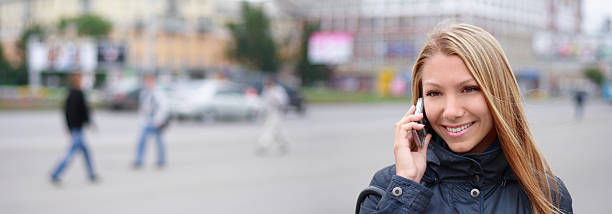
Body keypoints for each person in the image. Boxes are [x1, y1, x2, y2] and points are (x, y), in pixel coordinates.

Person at [357, 23, 572, 214]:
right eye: (434, 93)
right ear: (419, 104)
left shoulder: (547, 197)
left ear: (500, 93)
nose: (451, 111)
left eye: (469, 89)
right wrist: (405, 188)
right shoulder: (387, 189)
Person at [51, 72, 98, 183]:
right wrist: (88, 123)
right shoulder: (77, 94)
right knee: (71, 153)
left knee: (86, 152)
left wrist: (70, 126)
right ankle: (56, 173)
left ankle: (91, 174)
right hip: (77, 129)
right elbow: (82, 112)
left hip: (77, 128)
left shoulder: (72, 93)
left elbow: (67, 112)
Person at [133, 74, 170, 169]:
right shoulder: (144, 93)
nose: (147, 83)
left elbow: (163, 107)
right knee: (142, 141)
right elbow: (143, 108)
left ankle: (161, 160)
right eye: (146, 81)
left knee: (159, 142)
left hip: (157, 121)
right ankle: (139, 160)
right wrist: (141, 119)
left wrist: (160, 120)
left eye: (149, 81)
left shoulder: (158, 93)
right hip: (147, 121)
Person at [256, 77, 290, 155]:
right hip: (269, 113)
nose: (268, 85)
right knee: (277, 131)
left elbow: (283, 101)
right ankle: (283, 144)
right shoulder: (266, 90)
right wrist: (260, 111)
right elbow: (263, 102)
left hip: (277, 112)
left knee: (269, 129)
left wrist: (275, 99)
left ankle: (263, 145)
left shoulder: (278, 90)